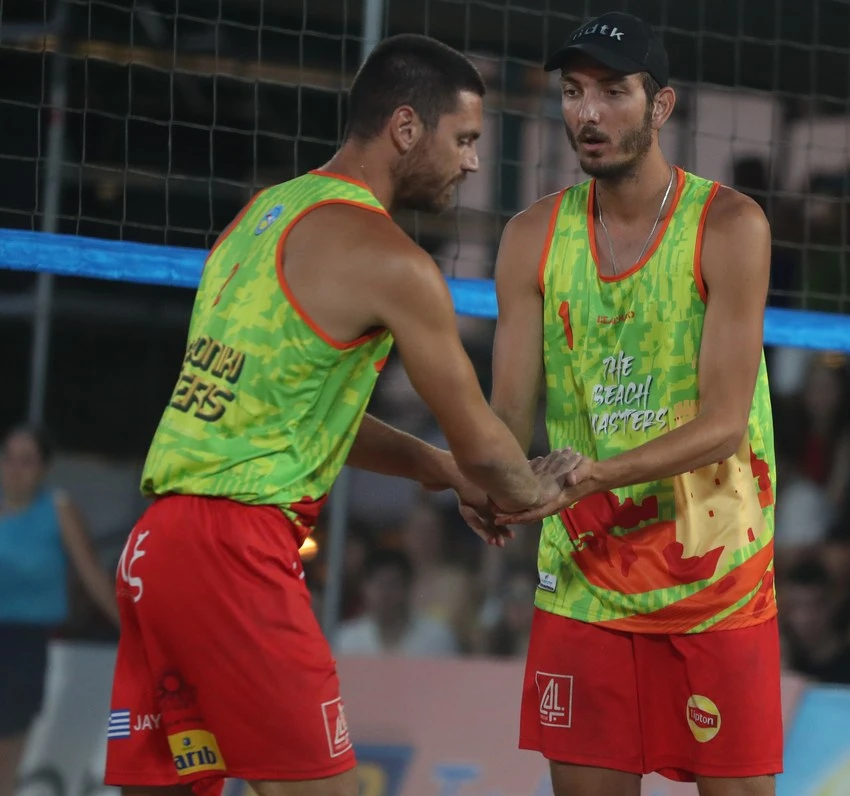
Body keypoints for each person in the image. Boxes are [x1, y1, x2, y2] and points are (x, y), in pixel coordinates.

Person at [103, 34, 578, 796]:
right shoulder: (390, 260)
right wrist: (537, 490)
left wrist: (440, 470)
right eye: (463, 139)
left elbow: (307, 414)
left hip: (158, 547)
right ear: (405, 128)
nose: (473, 163)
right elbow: (487, 444)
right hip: (236, 551)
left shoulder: (261, 216)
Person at [479, 12, 781, 795]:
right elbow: (510, 415)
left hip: (717, 577)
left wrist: (592, 476)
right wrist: (490, 480)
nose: (587, 113)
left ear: (662, 107)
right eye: (574, 92)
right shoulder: (530, 237)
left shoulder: (729, 225)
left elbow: (721, 427)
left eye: (614, 92)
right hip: (586, 582)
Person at [1, 426, 120, 796]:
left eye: (27, 460)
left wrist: (134, 630)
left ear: (43, 469)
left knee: (6, 749)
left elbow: (92, 575)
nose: (16, 468)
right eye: (9, 457)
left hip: (25, 644)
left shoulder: (58, 508)